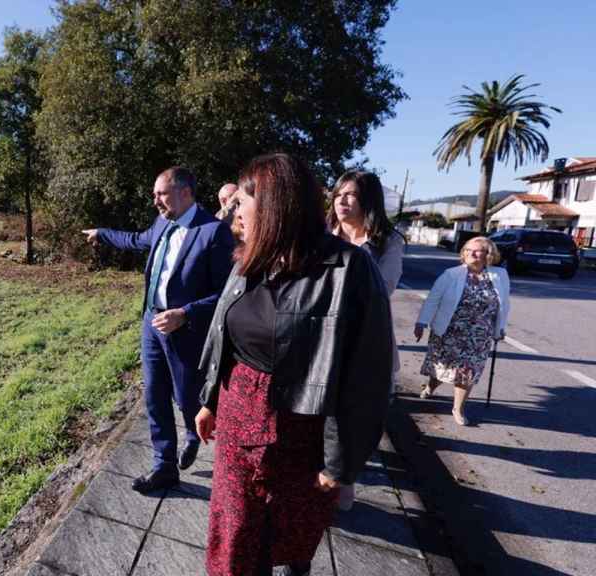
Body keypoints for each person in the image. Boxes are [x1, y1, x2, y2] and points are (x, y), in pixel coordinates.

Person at [194, 153, 393, 576]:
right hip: (236, 418)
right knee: (233, 536)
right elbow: (224, 335)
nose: (234, 209)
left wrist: (341, 462)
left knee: (287, 541)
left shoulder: (349, 268)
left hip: (301, 434)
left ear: (272, 204)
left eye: (241, 200)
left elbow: (368, 377)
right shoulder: (251, 256)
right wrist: (210, 399)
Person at [82, 167, 233, 493]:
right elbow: (136, 240)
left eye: (161, 194)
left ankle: (196, 435)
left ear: (185, 193)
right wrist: (102, 233)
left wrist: (186, 313)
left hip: (185, 330)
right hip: (152, 325)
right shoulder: (162, 222)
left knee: (187, 397)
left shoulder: (214, 232)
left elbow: (227, 293)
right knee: (154, 395)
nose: (155, 201)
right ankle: (163, 465)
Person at [326, 170, 405, 511]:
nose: (342, 201)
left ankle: (345, 481)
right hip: (320, 337)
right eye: (338, 195)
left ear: (368, 201)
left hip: (363, 340)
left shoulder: (387, 242)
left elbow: (383, 289)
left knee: (351, 417)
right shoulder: (321, 235)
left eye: (351, 195)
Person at [414, 236, 509, 426]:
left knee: (467, 372)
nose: (472, 254)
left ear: (488, 254)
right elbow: (433, 299)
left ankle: (458, 409)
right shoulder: (451, 274)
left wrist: (500, 328)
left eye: (477, 250)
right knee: (443, 368)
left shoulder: (499, 275)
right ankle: (431, 387)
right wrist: (422, 322)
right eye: (468, 250)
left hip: (479, 335)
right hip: (450, 330)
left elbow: (504, 304)